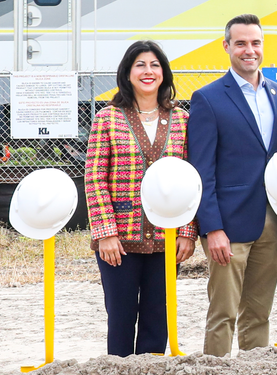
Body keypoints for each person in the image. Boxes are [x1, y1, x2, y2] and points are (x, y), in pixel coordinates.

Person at [84, 41, 197, 356]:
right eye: (140, 65)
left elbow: (191, 179)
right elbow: (94, 177)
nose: (148, 72)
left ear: (164, 73)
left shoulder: (182, 120)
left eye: (155, 65)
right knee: (120, 317)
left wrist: (187, 232)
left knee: (157, 318)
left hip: (167, 235)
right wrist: (105, 233)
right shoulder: (108, 118)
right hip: (120, 239)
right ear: (128, 73)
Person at [187, 14, 277, 355]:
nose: (250, 50)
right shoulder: (208, 98)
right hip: (228, 228)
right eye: (241, 43)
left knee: (259, 314)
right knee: (223, 314)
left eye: (256, 43)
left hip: (272, 223)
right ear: (227, 46)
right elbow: (202, 170)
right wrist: (212, 228)